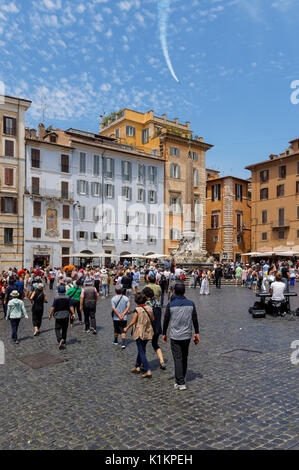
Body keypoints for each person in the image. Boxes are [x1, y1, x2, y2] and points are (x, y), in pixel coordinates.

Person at [162, 283, 199, 391]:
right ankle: (181, 378)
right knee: (184, 357)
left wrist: (164, 333)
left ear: (174, 292)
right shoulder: (191, 303)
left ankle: (181, 382)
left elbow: (166, 320)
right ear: (184, 292)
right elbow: (195, 319)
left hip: (175, 335)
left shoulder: (170, 304)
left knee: (177, 358)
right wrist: (197, 332)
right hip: (187, 335)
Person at [124, 292, 154, 379]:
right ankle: (137, 366)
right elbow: (152, 318)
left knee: (141, 350)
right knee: (142, 349)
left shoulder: (137, 309)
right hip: (148, 331)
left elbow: (133, 321)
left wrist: (127, 327)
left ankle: (147, 369)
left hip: (139, 332)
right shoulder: (149, 308)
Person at [143, 286, 166, 370]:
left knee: (143, 346)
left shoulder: (146, 304)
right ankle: (162, 361)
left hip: (149, 328)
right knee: (155, 344)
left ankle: (142, 363)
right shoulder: (158, 302)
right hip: (157, 327)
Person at [49, 285, 75, 350]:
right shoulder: (68, 297)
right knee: (64, 328)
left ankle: (60, 339)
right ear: (65, 291)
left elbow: (53, 307)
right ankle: (64, 340)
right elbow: (71, 306)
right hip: (66, 315)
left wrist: (50, 315)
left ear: (58, 291)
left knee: (57, 329)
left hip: (58, 315)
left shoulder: (56, 298)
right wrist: (73, 313)